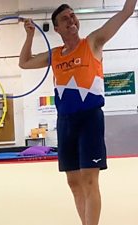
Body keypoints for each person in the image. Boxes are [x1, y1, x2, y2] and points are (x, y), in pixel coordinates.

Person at [19, 1, 137, 225]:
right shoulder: (54, 55)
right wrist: (30, 36)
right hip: (65, 123)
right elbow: (24, 63)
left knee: (90, 180)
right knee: (73, 181)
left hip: (89, 119)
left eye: (72, 16)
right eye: (65, 19)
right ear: (57, 29)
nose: (71, 20)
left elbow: (126, 12)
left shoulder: (92, 42)